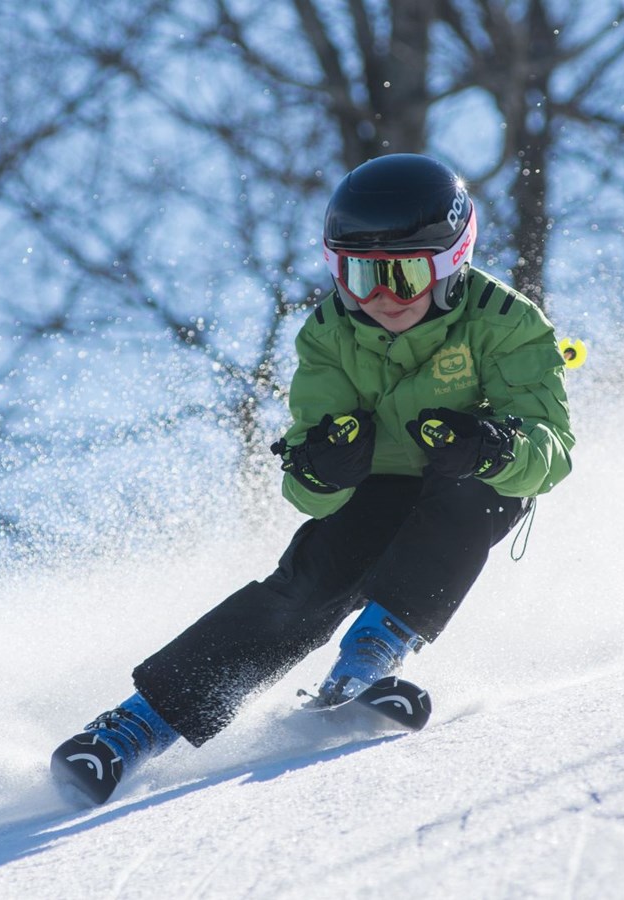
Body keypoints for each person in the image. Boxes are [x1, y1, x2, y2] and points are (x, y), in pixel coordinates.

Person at [50, 153, 575, 804]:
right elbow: (306, 488)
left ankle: (367, 661)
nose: (380, 297)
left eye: (404, 275)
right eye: (359, 275)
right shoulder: (329, 333)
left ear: (450, 265)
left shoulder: (507, 322)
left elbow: (552, 449)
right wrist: (323, 467)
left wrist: (493, 447)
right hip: (375, 487)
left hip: (467, 481)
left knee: (479, 495)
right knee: (309, 584)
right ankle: (135, 727)